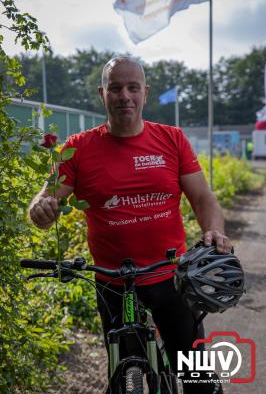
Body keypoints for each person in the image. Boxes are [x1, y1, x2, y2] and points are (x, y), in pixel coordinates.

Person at [29, 57, 232, 393]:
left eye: (132, 87)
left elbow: (203, 199)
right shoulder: (78, 148)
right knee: (126, 377)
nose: (124, 95)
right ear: (102, 93)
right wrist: (41, 208)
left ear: (145, 92)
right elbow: (45, 199)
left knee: (200, 380)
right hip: (113, 284)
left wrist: (215, 231)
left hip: (172, 277)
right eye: (115, 88)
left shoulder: (172, 139)